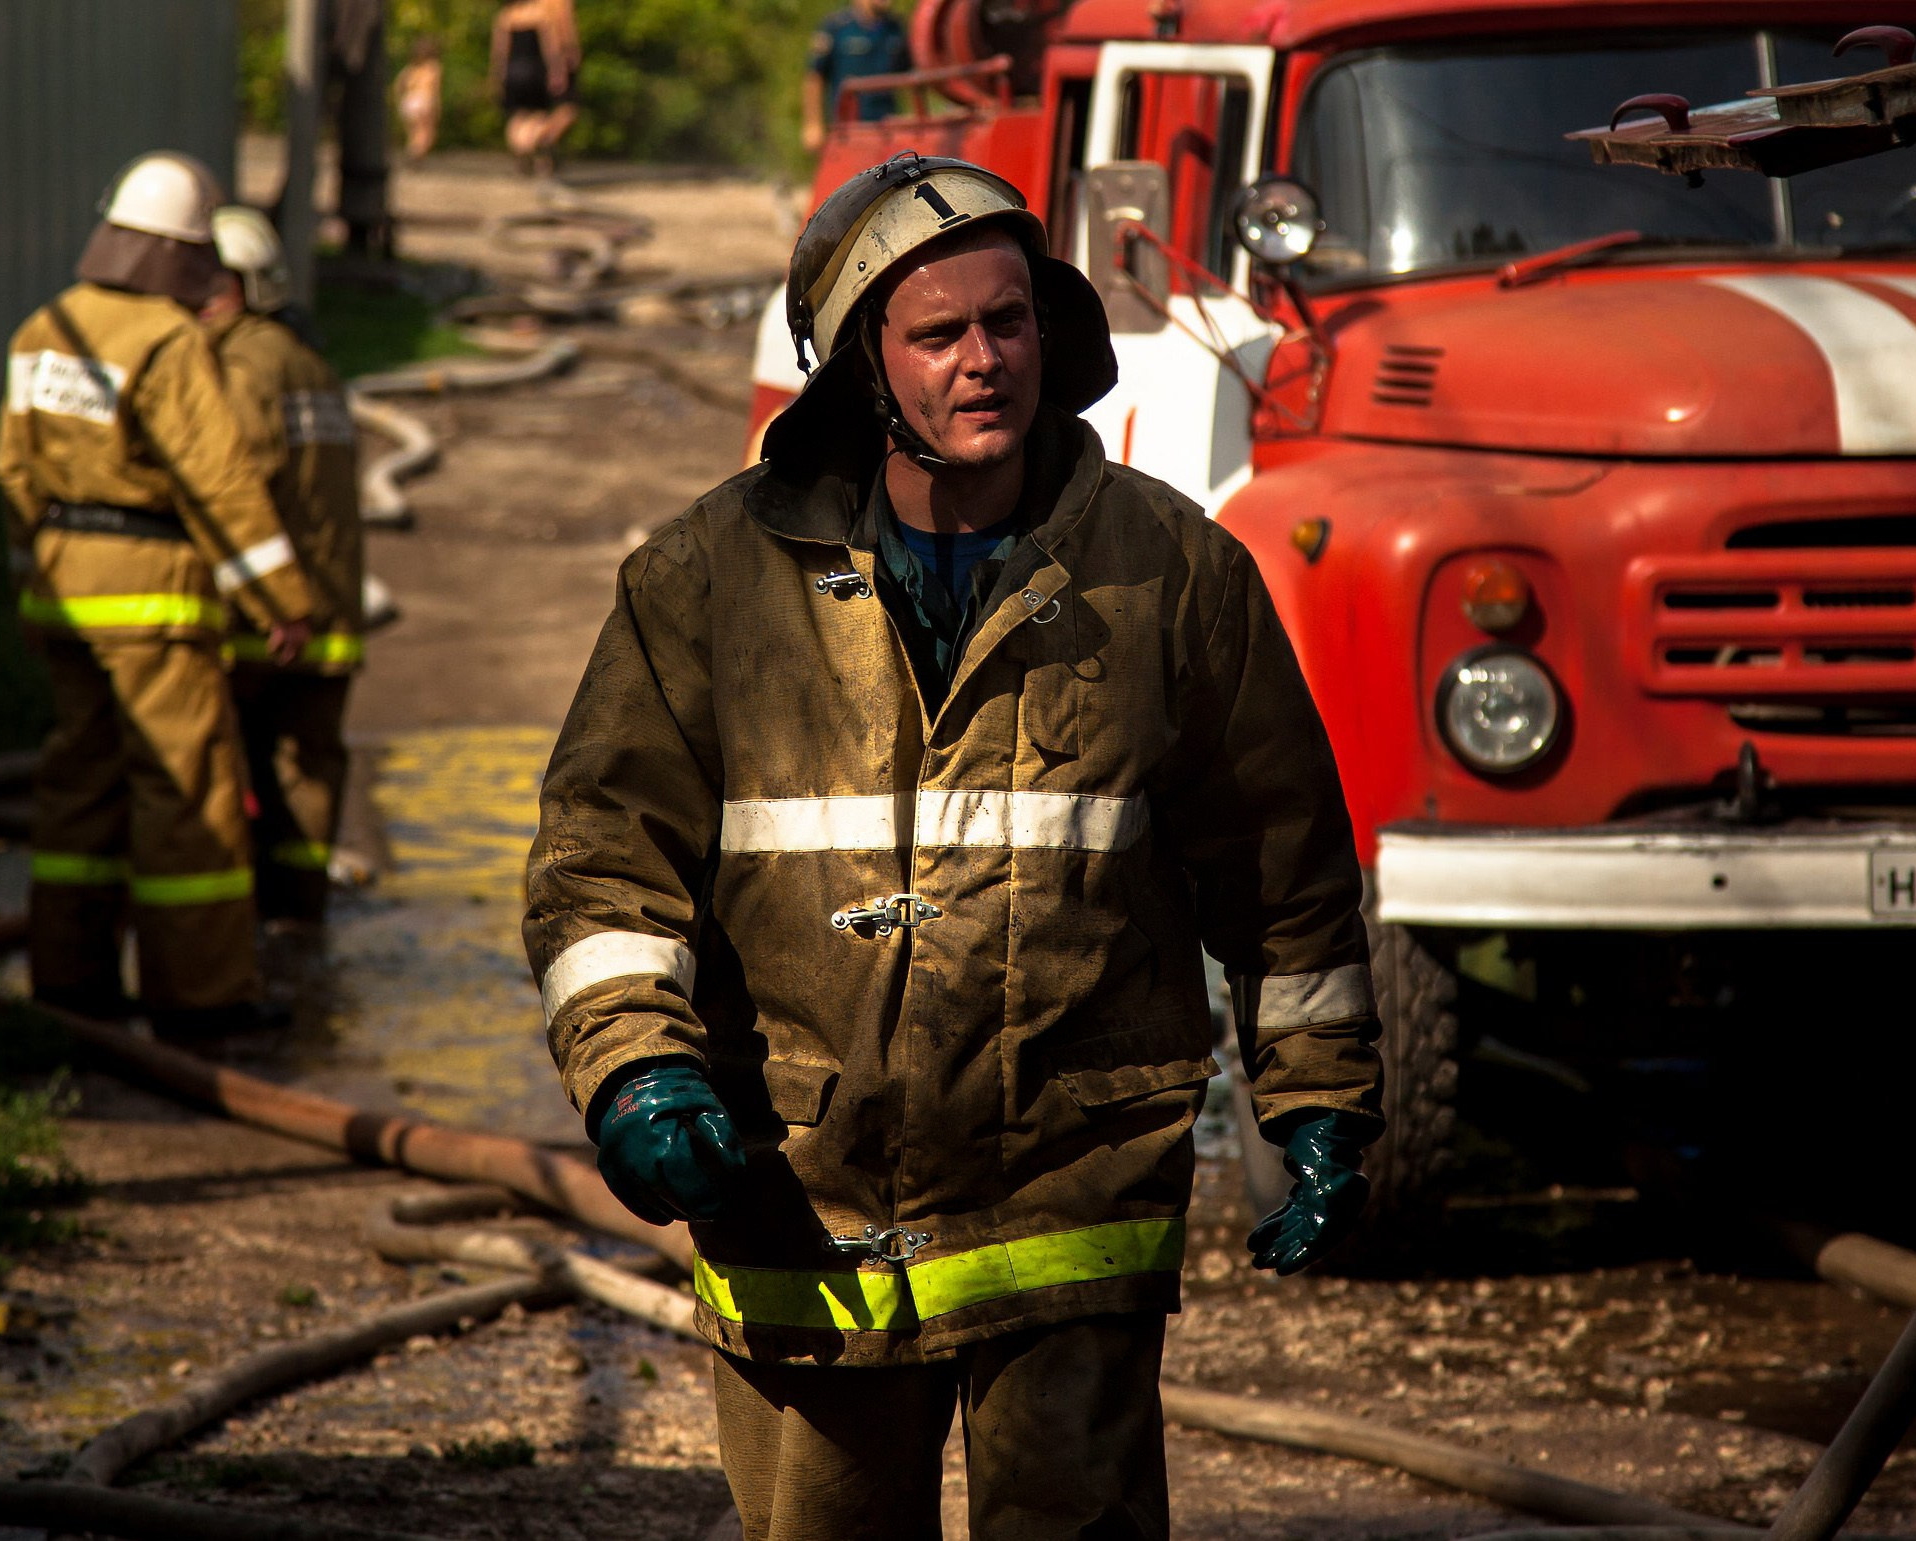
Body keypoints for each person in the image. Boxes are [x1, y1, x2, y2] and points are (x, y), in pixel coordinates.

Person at [524, 154, 1385, 1540]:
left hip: (1069, 1204)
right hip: (799, 1200)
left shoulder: (1169, 572)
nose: (984, 361)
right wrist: (636, 1069)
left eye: (1010, 321)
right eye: (938, 334)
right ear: (863, 368)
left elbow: (1280, 870)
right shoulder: (702, 585)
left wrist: (1321, 1099)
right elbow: (600, 868)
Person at [0, 152, 314, 1039]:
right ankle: (201, 996)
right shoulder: (168, 342)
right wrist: (282, 600)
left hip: (63, 594)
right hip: (150, 602)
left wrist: (35, 580)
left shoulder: (42, 328)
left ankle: (70, 981)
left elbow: (14, 473)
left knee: (75, 786)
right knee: (185, 796)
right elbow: (219, 484)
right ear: (185, 253)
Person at [200, 206, 366, 937]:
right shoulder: (312, 361)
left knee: (214, 761)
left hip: (263, 618)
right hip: (329, 611)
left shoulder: (239, 365)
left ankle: (220, 933)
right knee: (307, 769)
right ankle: (299, 920)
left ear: (236, 286)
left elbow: (235, 483)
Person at [800, 0, 912, 152]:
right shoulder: (836, 27)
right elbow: (815, 76)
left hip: (888, 129)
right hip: (848, 130)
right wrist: (813, 124)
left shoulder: (895, 28)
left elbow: (909, 75)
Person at [491, 0, 580, 177]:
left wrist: (498, 75)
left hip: (512, 71)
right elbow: (550, 46)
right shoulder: (540, 14)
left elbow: (500, 50)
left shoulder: (505, 16)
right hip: (534, 69)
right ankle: (534, 143)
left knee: (517, 115)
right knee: (537, 113)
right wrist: (556, 69)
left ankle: (521, 148)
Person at [395, 36, 445, 162]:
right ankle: (416, 155)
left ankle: (413, 152)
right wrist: (437, 106)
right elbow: (435, 90)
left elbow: (398, 85)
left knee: (413, 133)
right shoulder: (433, 68)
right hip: (424, 100)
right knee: (426, 133)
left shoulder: (410, 69)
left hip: (409, 100)